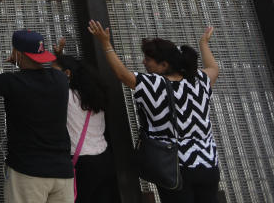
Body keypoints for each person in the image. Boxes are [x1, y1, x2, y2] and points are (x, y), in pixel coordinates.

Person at [89, 20, 221, 203]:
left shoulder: (153, 83)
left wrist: (105, 44)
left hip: (175, 167)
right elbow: (214, 68)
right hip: (209, 164)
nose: (144, 62)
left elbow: (121, 74)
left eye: (148, 59)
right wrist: (203, 44)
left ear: (164, 65)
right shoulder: (198, 79)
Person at [0, 24, 74, 203]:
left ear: (18, 54)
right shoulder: (60, 79)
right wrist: (22, 63)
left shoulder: (12, 82)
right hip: (62, 172)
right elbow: (47, 70)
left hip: (28, 171)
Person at [52, 38, 116, 203]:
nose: (49, 78)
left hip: (81, 162)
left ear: (67, 74)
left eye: (52, 73)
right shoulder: (93, 95)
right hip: (103, 157)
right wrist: (59, 56)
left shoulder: (65, 96)